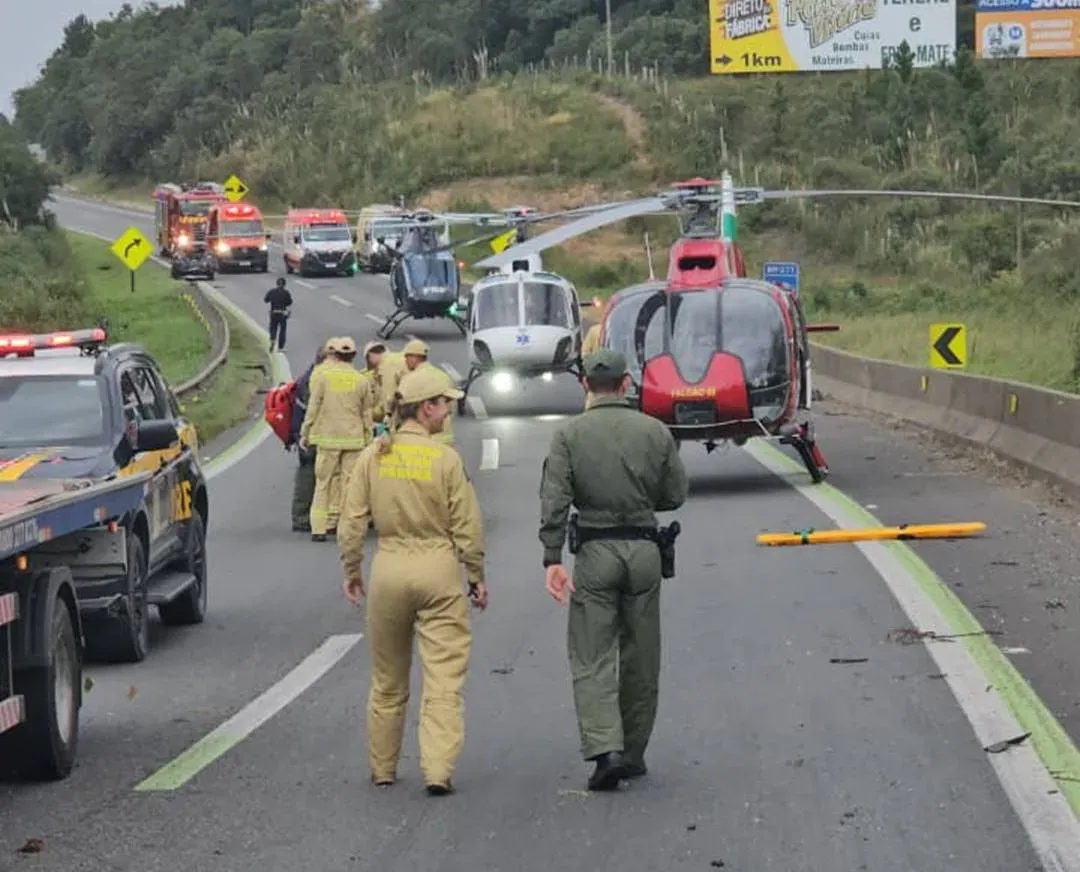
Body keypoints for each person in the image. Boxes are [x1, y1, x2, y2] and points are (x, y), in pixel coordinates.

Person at [539, 348, 688, 791]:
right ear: (626, 384)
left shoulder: (569, 435)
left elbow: (555, 500)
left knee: (593, 654)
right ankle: (635, 752)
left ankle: (607, 750)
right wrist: (641, 503)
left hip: (595, 552)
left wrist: (552, 558)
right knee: (642, 655)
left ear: (585, 384)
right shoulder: (655, 431)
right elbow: (675, 494)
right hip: (644, 552)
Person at [338, 366, 487, 796]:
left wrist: (352, 571)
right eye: (445, 404)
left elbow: (351, 524)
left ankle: (383, 767)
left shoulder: (373, 455)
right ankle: (438, 769)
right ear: (426, 409)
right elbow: (468, 529)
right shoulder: (446, 459)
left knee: (387, 679)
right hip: (437, 570)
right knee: (443, 678)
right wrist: (475, 576)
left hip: (389, 570)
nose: (448, 411)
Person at [298, 336, 374, 541]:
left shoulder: (324, 377)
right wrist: (368, 437)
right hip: (353, 440)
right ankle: (345, 527)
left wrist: (305, 433)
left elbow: (313, 408)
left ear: (335, 355)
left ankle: (318, 529)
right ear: (353, 356)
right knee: (349, 485)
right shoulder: (361, 380)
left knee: (323, 484)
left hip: (328, 439)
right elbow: (367, 413)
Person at [289, 345, 328, 532]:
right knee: (309, 474)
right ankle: (302, 517)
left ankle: (305, 516)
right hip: (310, 433)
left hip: (307, 431)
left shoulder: (313, 376)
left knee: (313, 473)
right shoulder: (312, 380)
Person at [401, 338, 456, 445]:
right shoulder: (443, 376)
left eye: (406, 357)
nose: (405, 361)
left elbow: (401, 407)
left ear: (414, 357)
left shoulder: (409, 379)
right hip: (445, 436)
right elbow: (450, 407)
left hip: (423, 438)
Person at [264, 277, 293, 352]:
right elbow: (289, 302)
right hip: (282, 313)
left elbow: (266, 300)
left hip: (273, 312)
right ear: (284, 285)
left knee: (273, 327)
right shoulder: (286, 292)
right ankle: (280, 347)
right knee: (282, 330)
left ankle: (273, 339)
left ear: (276, 284)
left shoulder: (272, 291)